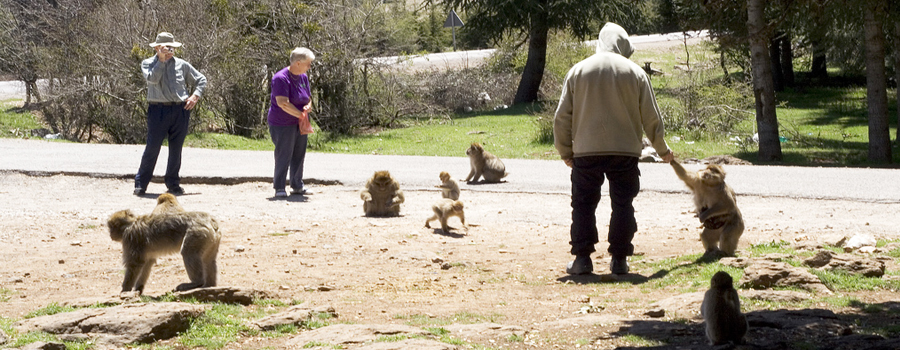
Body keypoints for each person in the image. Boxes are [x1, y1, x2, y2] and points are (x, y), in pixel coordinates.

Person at [553, 23, 675, 275]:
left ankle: (582, 260)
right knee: (623, 204)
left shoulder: (578, 71)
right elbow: (652, 118)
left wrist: (565, 151)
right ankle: (619, 260)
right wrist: (662, 150)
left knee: (583, 205)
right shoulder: (636, 73)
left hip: (586, 152)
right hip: (625, 152)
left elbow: (561, 118)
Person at [134, 32, 207, 196]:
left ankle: (173, 183)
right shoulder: (148, 64)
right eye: (165, 47)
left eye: (171, 47)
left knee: (176, 149)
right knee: (152, 147)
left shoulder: (182, 65)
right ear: (157, 48)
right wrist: (160, 60)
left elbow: (201, 79)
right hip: (157, 110)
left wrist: (195, 96)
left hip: (180, 110)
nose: (169, 50)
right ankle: (141, 183)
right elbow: (152, 79)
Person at [268, 47, 315, 197]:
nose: (309, 67)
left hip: (300, 122)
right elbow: (283, 103)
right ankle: (280, 187)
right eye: (308, 63)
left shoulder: (303, 77)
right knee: (284, 154)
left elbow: (308, 97)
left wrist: (308, 106)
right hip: (282, 123)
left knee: (299, 154)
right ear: (298, 63)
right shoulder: (280, 78)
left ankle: (297, 184)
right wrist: (300, 114)